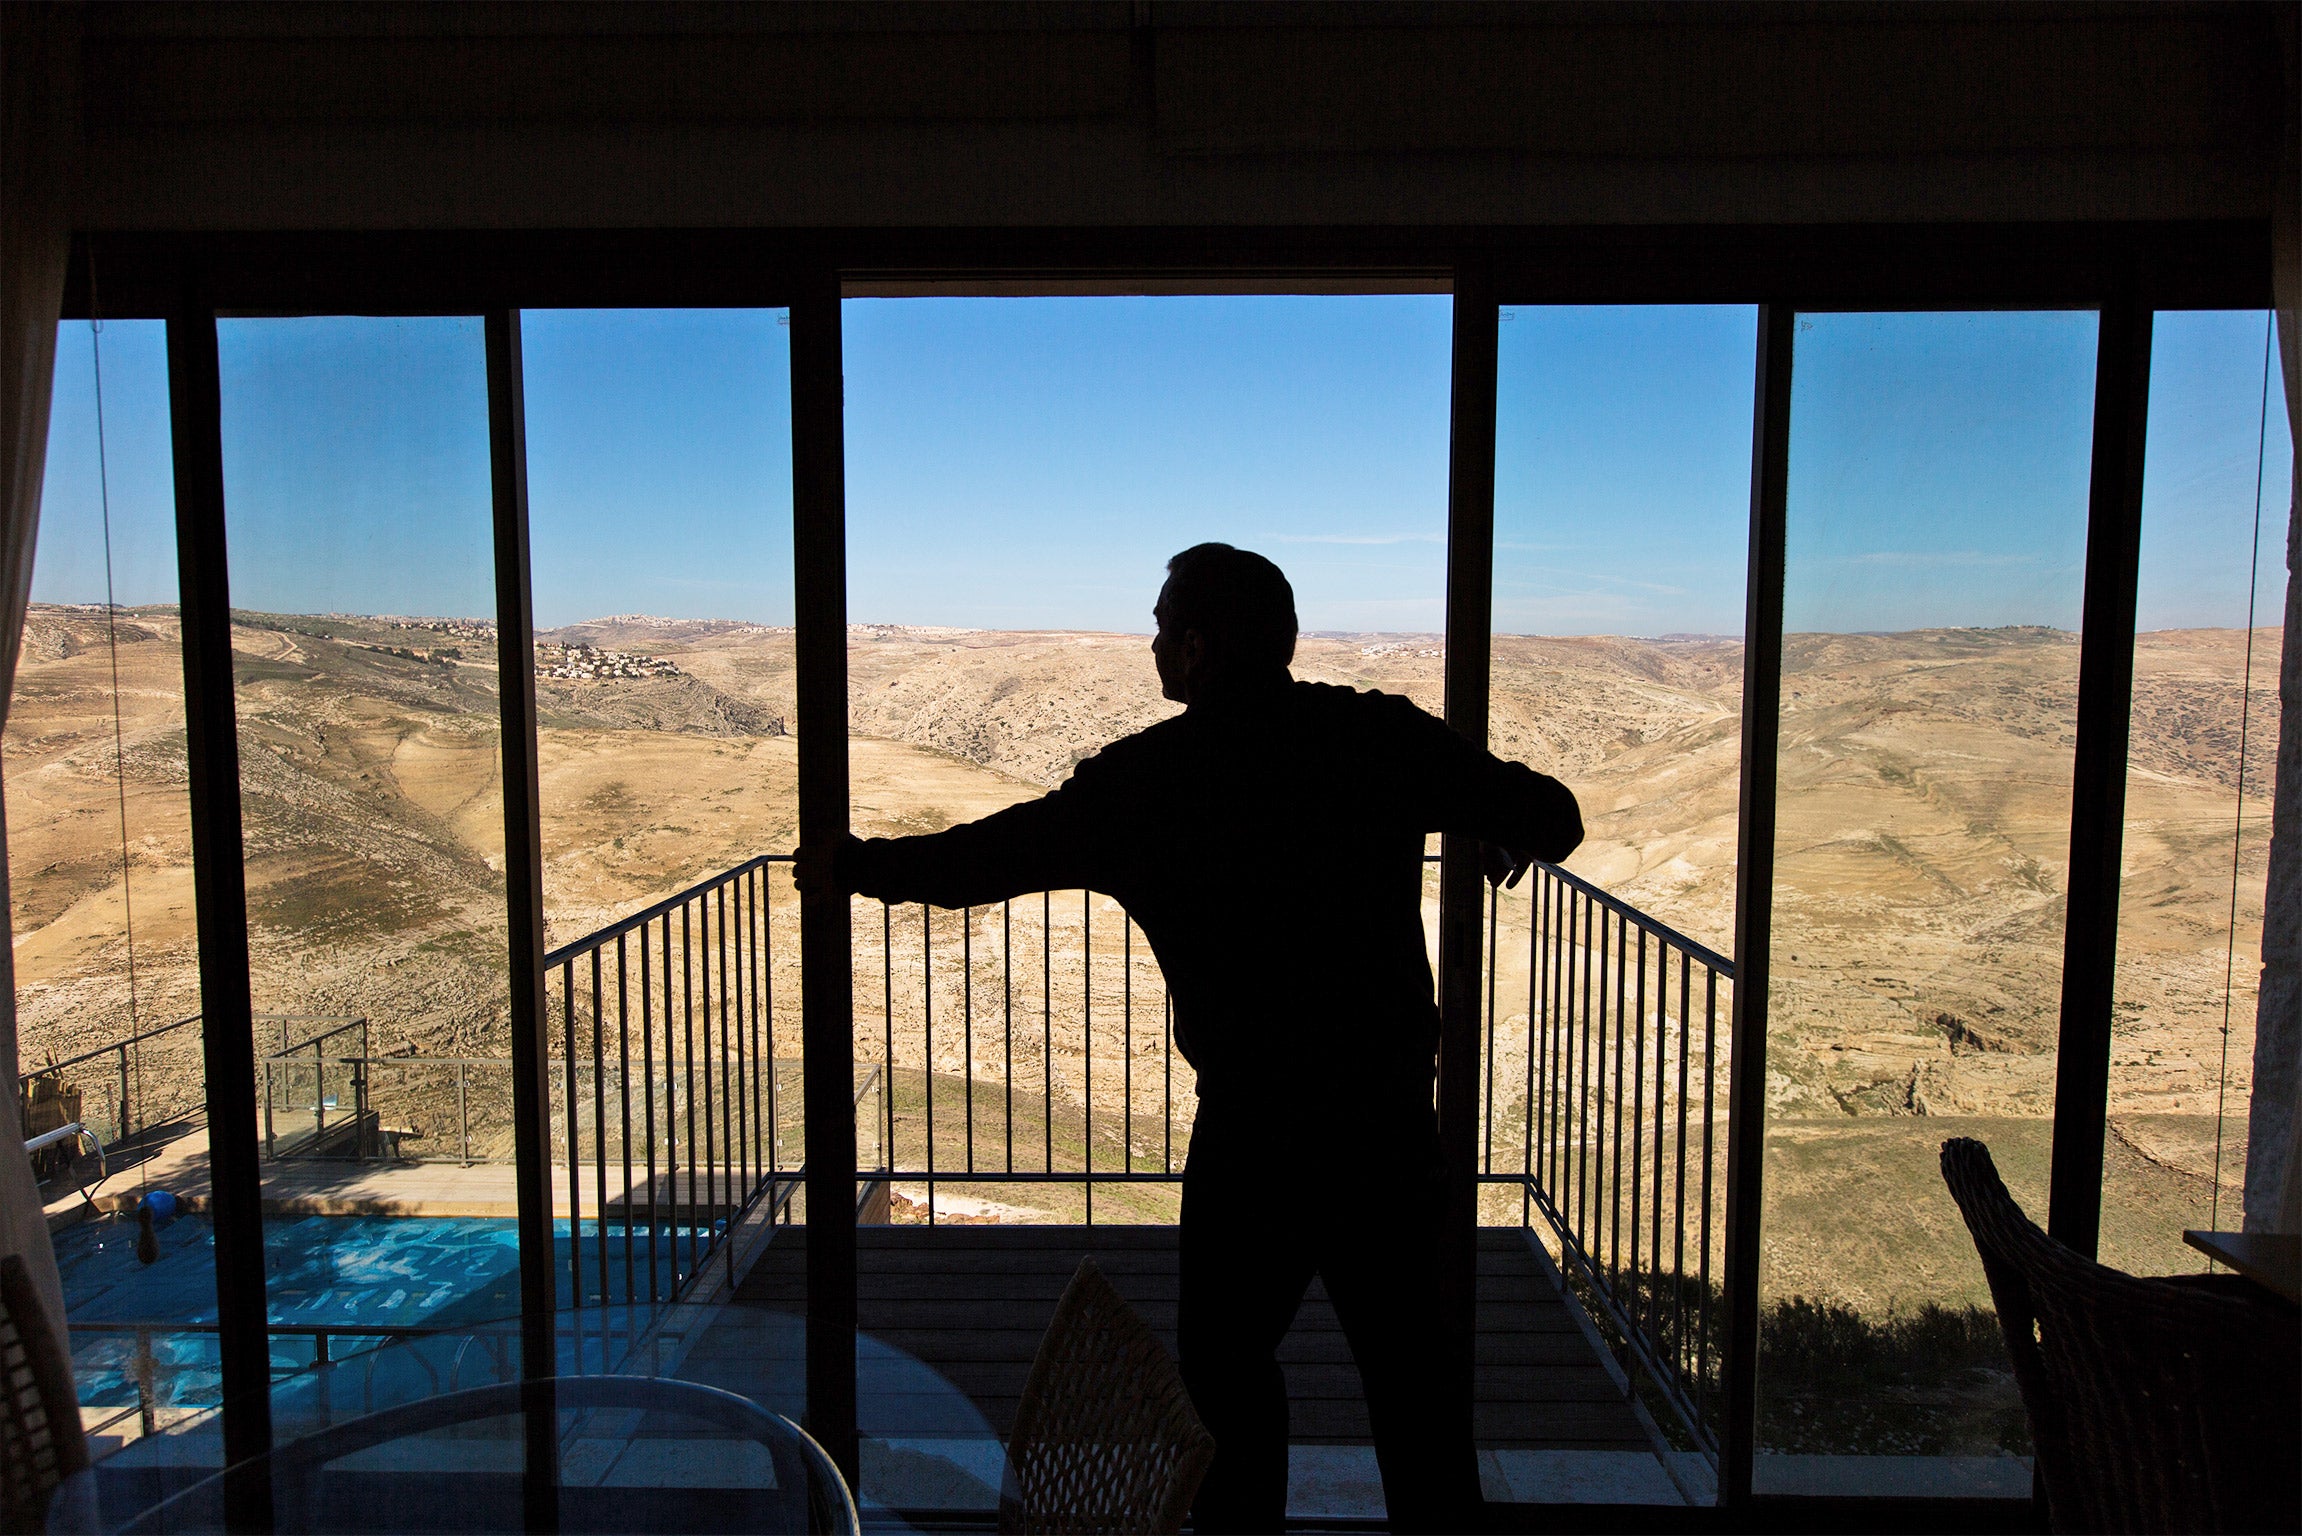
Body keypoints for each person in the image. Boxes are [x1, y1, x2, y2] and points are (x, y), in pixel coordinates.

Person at [800, 543, 1582, 1533]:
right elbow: (1552, 815)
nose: (1154, 642)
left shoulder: (1147, 783)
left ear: (1201, 648)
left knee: (1225, 1383)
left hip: (1253, 1139)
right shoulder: (1371, 737)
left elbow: (983, 861)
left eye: (1165, 626)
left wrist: (854, 866)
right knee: (1415, 1398)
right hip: (1384, 1134)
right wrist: (1496, 835)